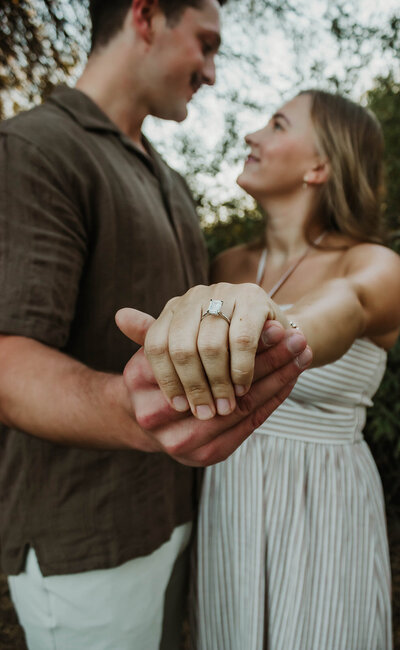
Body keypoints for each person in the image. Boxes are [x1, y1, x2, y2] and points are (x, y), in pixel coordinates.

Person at [0, 1, 311, 649]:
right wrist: (131, 409)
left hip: (177, 521)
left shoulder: (167, 179)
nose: (213, 72)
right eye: (205, 44)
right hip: (89, 542)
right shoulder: (35, 147)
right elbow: (9, 359)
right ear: (144, 17)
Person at [133, 90, 400, 649]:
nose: (253, 135)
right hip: (228, 501)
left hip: (325, 505)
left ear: (320, 166)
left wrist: (271, 319)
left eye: (277, 124)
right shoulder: (226, 266)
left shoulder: (375, 265)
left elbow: (342, 308)